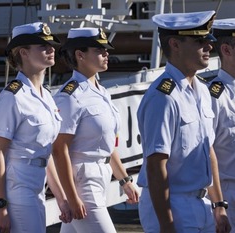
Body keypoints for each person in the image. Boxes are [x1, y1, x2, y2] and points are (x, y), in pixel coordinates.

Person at [137, 11, 231, 233]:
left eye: (208, 40)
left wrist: (219, 205)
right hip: (174, 204)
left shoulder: (202, 91)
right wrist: (167, 224)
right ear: (175, 45)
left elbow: (208, 151)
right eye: (200, 41)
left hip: (203, 203)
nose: (209, 46)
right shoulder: (163, 97)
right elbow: (156, 165)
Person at [52, 27, 139, 233]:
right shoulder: (70, 97)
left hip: (101, 176)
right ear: (80, 55)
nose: (106, 54)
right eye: (99, 50)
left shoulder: (101, 92)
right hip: (82, 182)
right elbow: (59, 150)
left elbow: (108, 146)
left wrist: (125, 180)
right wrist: (71, 198)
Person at [0, 22, 71, 233]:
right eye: (43, 46)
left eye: (51, 45)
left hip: (37, 185)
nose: (51, 49)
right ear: (24, 52)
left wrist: (61, 198)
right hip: (17, 188)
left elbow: (46, 151)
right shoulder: (12, 97)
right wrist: (0, 205)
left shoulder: (46, 97)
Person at [209, 18, 235, 232]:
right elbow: (205, 154)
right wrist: (219, 205)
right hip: (229, 197)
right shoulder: (214, 96)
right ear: (226, 50)